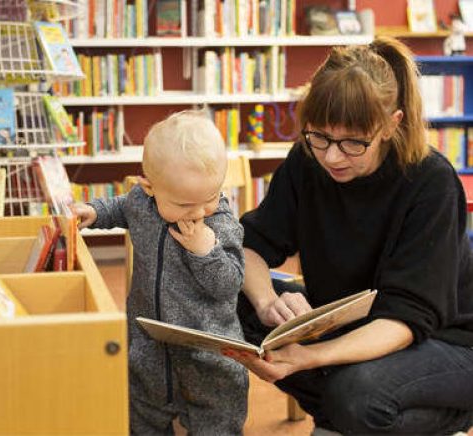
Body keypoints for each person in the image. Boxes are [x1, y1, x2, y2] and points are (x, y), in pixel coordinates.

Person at [226, 36, 473, 435]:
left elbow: (406, 320)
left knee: (356, 394)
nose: (332, 156)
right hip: (356, 326)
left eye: (353, 143)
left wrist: (307, 357)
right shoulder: (309, 161)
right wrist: (268, 301)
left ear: (392, 124)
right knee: (220, 294)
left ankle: (444, 419)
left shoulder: (432, 182)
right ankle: (346, 418)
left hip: (450, 343)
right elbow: (250, 246)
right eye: (319, 136)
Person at [72, 110, 249, 434]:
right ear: (149, 187)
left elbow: (229, 285)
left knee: (217, 417)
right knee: (142, 409)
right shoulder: (141, 201)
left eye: (210, 197)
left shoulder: (220, 223)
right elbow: (123, 207)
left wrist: (205, 251)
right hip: (147, 340)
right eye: (184, 204)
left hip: (207, 349)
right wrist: (95, 211)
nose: (198, 212)